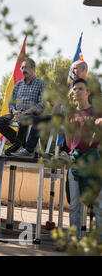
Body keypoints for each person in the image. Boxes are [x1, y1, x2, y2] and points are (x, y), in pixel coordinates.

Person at [65, 78, 102, 240]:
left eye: (80, 89)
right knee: (74, 206)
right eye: (75, 89)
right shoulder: (69, 114)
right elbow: (68, 141)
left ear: (88, 92)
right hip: (75, 163)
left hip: (93, 163)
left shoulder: (97, 112)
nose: (77, 91)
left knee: (98, 205)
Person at [0, 58, 47, 157]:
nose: (23, 70)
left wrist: (26, 112)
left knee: (24, 119)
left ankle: (18, 145)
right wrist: (13, 111)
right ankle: (23, 144)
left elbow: (42, 104)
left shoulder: (41, 84)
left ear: (34, 69)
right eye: (22, 68)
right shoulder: (18, 84)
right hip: (16, 113)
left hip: (31, 114)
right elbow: (11, 102)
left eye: (26, 67)